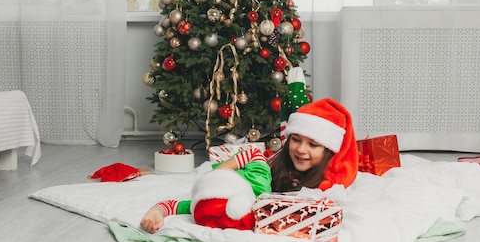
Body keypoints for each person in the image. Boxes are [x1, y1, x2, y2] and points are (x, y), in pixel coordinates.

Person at [140, 97, 359, 234]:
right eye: (295, 140)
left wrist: (222, 174)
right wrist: (156, 213)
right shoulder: (265, 169)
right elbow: (179, 204)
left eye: (313, 144)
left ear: (328, 151)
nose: (301, 149)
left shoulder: (324, 182)